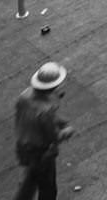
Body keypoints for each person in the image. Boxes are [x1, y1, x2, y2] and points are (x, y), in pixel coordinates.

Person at [13, 61, 74, 200]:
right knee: (48, 187)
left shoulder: (24, 96)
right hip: (40, 152)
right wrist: (67, 131)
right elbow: (53, 137)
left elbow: (31, 117)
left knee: (30, 180)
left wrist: (56, 118)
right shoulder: (46, 110)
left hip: (23, 146)